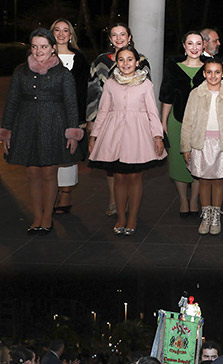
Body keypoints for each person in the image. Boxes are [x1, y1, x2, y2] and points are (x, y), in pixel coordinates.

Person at [0, 27, 84, 233]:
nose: (38, 51)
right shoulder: (21, 70)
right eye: (35, 47)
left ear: (53, 48)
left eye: (44, 47)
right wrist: (6, 130)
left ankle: (47, 216)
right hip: (26, 124)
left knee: (48, 173)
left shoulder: (63, 73)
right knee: (32, 173)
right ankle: (36, 216)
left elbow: (71, 104)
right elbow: (12, 102)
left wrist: (72, 131)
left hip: (54, 125)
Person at [88, 46, 166, 236]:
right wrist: (94, 136)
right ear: (117, 62)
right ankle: (121, 216)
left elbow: (152, 112)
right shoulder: (110, 84)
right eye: (121, 60)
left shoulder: (146, 85)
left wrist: (158, 136)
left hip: (137, 135)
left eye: (130, 59)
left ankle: (132, 217)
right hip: (113, 134)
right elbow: (104, 111)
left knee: (134, 177)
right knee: (119, 178)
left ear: (137, 62)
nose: (125, 64)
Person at [86, 22, 151, 217]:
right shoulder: (100, 61)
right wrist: (91, 119)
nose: (119, 38)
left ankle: (130, 204)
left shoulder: (141, 60)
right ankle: (115, 200)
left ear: (129, 37)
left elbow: (145, 92)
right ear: (110, 39)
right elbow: (92, 91)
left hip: (132, 120)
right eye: (114, 35)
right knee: (111, 164)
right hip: (106, 118)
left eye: (123, 34)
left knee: (131, 167)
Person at [181, 57, 223, 235]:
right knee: (203, 180)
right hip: (201, 144)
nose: (213, 76)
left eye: (217, 72)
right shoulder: (195, 94)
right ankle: (206, 215)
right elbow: (187, 122)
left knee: (218, 180)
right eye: (209, 72)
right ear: (204, 73)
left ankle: (216, 215)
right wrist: (186, 146)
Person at [160, 31, 205, 218]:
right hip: (176, 121)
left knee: (199, 163)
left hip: (202, 124)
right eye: (190, 43)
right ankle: (183, 200)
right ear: (184, 46)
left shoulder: (210, 68)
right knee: (179, 163)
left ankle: (194, 200)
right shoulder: (174, 67)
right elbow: (167, 97)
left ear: (204, 46)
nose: (194, 48)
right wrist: (163, 123)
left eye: (198, 44)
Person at [48, 18, 89, 214]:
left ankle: (65, 192)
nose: (62, 34)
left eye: (66, 30)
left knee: (68, 154)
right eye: (57, 30)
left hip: (70, 115)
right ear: (52, 33)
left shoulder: (79, 59)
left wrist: (81, 119)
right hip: (47, 115)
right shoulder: (43, 55)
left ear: (71, 34)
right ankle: (50, 191)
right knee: (48, 154)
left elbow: (83, 92)